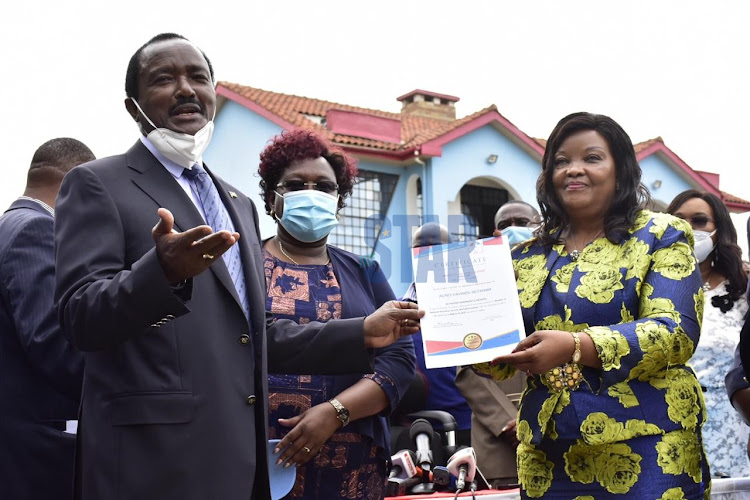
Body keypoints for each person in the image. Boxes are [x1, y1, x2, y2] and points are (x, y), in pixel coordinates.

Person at [53, 33, 422, 500]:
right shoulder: (97, 184)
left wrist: (362, 331)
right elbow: (79, 318)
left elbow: (253, 334)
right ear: (134, 106)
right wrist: (161, 273)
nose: (186, 89)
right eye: (165, 78)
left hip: (241, 463)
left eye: (198, 78)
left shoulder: (236, 203)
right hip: (153, 462)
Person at [474, 112, 710, 497]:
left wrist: (574, 347)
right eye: (561, 161)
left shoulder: (661, 234)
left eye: (592, 158)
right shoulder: (522, 255)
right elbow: (497, 364)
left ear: (621, 170)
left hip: (648, 444)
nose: (573, 170)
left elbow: (676, 331)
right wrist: (462, 335)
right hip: (548, 453)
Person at [256, 129, 416, 499]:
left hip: (352, 469)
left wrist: (335, 412)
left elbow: (399, 362)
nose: (311, 194)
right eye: (295, 185)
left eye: (325, 187)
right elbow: (240, 342)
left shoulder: (364, 270)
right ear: (271, 199)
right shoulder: (242, 265)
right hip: (256, 461)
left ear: (339, 200)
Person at [0, 138, 93, 500]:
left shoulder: (10, 225)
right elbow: (54, 344)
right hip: (36, 456)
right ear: (76, 186)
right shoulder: (37, 231)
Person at [454, 200, 538, 488]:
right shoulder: (477, 285)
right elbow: (466, 370)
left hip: (564, 435)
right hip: (501, 444)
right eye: (506, 224)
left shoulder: (562, 276)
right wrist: (509, 423)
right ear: (495, 233)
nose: (515, 229)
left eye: (524, 222)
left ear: (540, 227)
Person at [667, 189, 750, 478]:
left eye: (699, 220)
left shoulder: (743, 288)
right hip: (668, 429)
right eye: (678, 220)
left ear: (719, 230)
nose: (688, 228)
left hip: (733, 431)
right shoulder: (647, 291)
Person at [401, 222, 473, 446]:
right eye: (421, 249)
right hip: (413, 427)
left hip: (468, 425)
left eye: (438, 248)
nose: (430, 256)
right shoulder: (397, 310)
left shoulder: (473, 306)